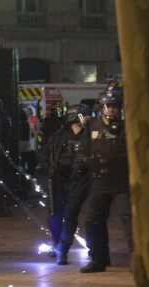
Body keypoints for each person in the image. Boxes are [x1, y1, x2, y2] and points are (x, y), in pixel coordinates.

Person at [79, 86, 131, 273]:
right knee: (92, 221)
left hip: (121, 181)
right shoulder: (92, 126)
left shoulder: (127, 126)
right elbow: (85, 149)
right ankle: (98, 259)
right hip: (100, 181)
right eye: (108, 106)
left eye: (115, 106)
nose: (111, 110)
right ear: (102, 107)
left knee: (129, 221)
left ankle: (136, 257)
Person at [41, 104, 90, 265]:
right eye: (85, 115)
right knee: (55, 215)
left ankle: (63, 248)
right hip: (58, 182)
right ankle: (56, 241)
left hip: (79, 182)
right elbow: (46, 154)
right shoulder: (59, 136)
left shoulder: (88, 136)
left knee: (70, 216)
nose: (88, 118)